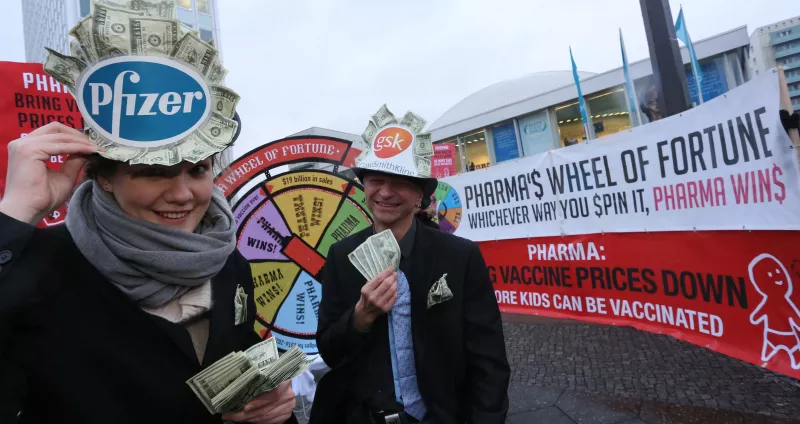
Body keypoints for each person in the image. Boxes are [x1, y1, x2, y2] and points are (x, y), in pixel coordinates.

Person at [0, 122, 297, 424]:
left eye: (198, 169)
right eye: (155, 171)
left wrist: (270, 401)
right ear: (104, 177)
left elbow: (240, 358)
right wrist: (18, 210)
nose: (182, 194)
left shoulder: (226, 260)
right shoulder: (39, 263)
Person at [315, 163, 510, 422]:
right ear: (365, 187)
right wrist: (359, 318)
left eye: (400, 183)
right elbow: (330, 351)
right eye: (376, 181)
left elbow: (489, 359)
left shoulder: (460, 256)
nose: (386, 192)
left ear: (420, 195)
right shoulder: (341, 256)